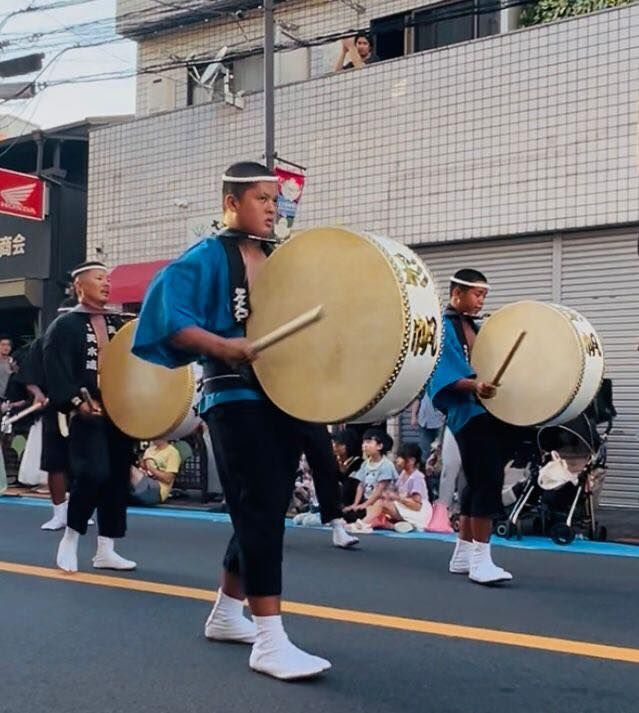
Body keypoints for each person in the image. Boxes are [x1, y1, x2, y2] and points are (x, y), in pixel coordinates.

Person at [132, 161, 331, 681]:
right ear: (231, 203)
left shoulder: (277, 256)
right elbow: (166, 317)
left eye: (274, 199)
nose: (272, 208)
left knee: (261, 507)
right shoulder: (207, 255)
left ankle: (226, 614)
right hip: (234, 396)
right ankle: (269, 640)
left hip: (280, 396)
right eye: (261, 198)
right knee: (259, 509)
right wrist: (224, 345)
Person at [44, 261, 136, 573]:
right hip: (87, 414)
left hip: (119, 413)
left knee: (117, 478)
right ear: (81, 286)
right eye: (99, 279)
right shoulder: (65, 325)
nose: (106, 284)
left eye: (108, 279)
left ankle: (106, 548)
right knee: (93, 474)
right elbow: (55, 372)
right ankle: (70, 537)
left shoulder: (118, 322)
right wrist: (74, 402)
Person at [428, 269, 514, 585]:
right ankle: (482, 561)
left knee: (477, 480)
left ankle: (463, 555)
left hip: (480, 411)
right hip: (467, 414)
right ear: (457, 293)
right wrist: (475, 386)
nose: (480, 301)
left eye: (484, 295)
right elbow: (440, 373)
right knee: (487, 479)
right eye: (477, 294)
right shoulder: (444, 327)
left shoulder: (471, 326)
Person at [295, 422, 359, 548]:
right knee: (282, 469)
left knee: (327, 464)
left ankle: (338, 527)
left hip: (312, 414)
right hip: (279, 411)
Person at [363, 443, 432, 532]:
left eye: (400, 457)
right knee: (375, 499)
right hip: (407, 509)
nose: (397, 460)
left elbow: (417, 506)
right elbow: (395, 490)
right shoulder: (403, 474)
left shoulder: (417, 477)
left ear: (411, 460)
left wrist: (397, 498)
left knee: (381, 503)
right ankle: (395, 526)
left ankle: (363, 523)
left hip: (419, 514)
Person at [343, 428, 395, 530]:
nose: (364, 445)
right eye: (363, 442)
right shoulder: (365, 464)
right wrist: (356, 504)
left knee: (362, 512)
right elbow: (361, 485)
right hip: (367, 502)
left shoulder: (386, 465)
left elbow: (380, 490)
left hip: (381, 502)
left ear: (380, 446)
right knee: (348, 512)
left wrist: (365, 504)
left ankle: (371, 523)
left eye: (368, 442)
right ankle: (381, 523)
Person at [130, 438, 181, 506]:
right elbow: (143, 467)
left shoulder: (173, 452)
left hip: (157, 490)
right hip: (143, 482)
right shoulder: (149, 450)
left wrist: (151, 469)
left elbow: (168, 479)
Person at [410, 391, 444, 466]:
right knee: (425, 450)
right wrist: (413, 416)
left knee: (439, 450)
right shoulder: (424, 384)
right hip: (424, 422)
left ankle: (438, 473)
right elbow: (417, 399)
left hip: (440, 422)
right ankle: (425, 473)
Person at [0, 336, 14, 400]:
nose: (6, 347)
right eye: (3, 345)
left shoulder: (12, 361)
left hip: (9, 399)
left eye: (8, 345)